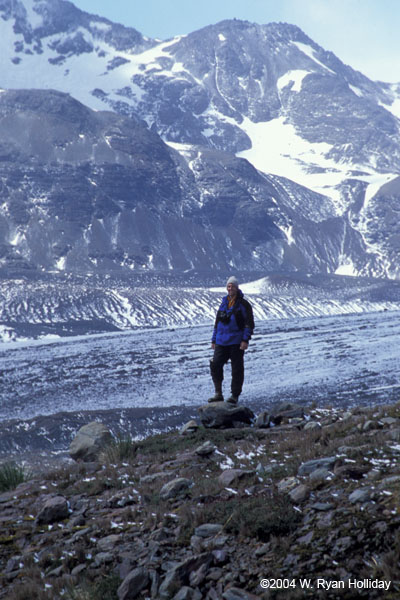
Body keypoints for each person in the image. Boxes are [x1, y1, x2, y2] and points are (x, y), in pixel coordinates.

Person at [209, 276, 254, 404]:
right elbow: (217, 323)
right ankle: (218, 393)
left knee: (237, 369)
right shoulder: (223, 304)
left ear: (237, 287)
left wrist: (245, 340)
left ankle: (234, 396)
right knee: (215, 364)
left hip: (236, 342)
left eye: (232, 286)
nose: (230, 288)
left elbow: (249, 323)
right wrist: (214, 340)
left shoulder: (244, 305)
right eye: (228, 286)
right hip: (221, 341)